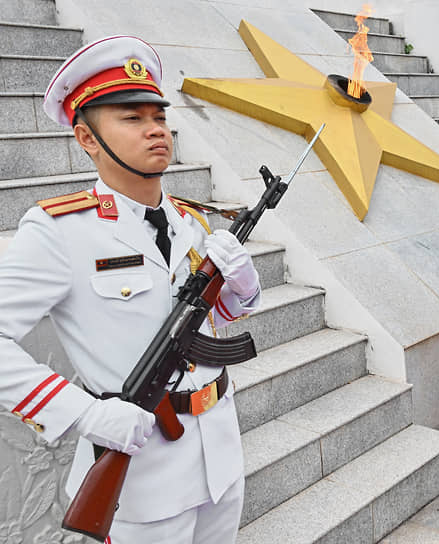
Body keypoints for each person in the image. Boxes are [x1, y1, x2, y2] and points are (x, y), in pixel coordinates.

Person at [0, 36, 261, 543]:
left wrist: (244, 290)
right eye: (132, 118)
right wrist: (88, 415)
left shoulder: (190, 220)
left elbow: (208, 324)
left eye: (158, 117)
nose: (156, 130)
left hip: (220, 454)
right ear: (87, 138)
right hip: (141, 478)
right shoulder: (59, 232)